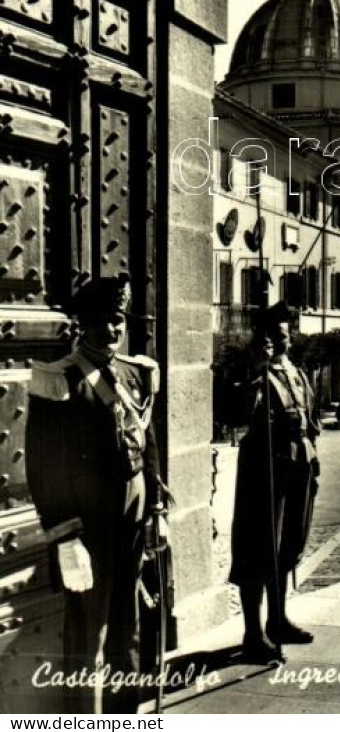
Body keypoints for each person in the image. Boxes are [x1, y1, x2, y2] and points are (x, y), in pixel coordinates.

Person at [26, 274, 167, 714]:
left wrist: (157, 508)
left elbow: (149, 443)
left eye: (118, 318)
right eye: (103, 320)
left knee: (129, 620)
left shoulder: (137, 373)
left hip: (135, 512)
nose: (112, 329)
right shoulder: (59, 379)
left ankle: (126, 715)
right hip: (88, 522)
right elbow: (43, 467)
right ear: (83, 325)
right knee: (90, 628)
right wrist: (66, 536)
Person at [229, 302, 320, 664]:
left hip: (300, 468)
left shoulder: (295, 371)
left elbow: (309, 417)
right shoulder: (254, 371)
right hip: (264, 471)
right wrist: (255, 371)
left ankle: (277, 620)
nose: (283, 341)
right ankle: (253, 633)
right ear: (261, 339)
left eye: (285, 335)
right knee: (257, 550)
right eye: (275, 336)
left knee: (287, 548)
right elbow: (235, 414)